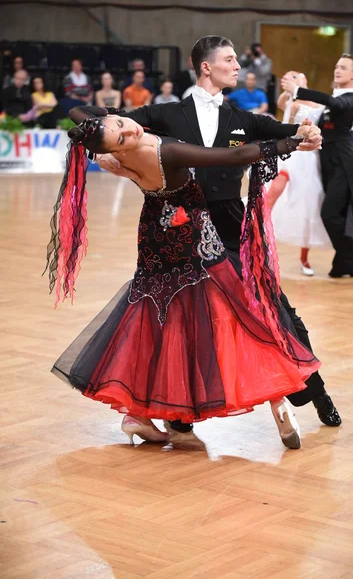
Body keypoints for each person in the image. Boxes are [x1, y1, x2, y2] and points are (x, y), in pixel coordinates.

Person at [96, 36, 342, 445]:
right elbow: (96, 122)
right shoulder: (164, 114)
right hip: (178, 228)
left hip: (228, 226)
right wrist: (101, 151)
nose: (238, 66)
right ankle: (176, 414)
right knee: (182, 323)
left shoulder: (244, 120)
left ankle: (314, 393)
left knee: (274, 308)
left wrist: (308, 133)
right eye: (229, 60)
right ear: (205, 67)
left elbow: (292, 132)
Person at [45, 106, 320, 450]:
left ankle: (138, 415)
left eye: (120, 121)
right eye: (121, 135)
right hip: (193, 243)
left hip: (155, 242)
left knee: (161, 324)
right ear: (116, 148)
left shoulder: (122, 152)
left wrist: (101, 135)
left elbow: (78, 113)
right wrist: (289, 142)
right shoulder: (165, 151)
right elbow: (229, 156)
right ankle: (276, 395)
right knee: (236, 315)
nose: (130, 129)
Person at [281, 54, 353, 283]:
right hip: (329, 163)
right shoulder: (335, 98)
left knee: (330, 214)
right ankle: (347, 264)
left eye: (343, 68)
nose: (337, 70)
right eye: (336, 66)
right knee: (338, 216)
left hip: (344, 163)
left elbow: (333, 103)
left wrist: (299, 90)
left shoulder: (347, 99)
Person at [267, 71, 331, 276]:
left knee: (309, 204)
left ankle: (304, 257)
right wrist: (288, 88)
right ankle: (261, 243)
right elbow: (281, 102)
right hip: (291, 154)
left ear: (306, 82)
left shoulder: (320, 106)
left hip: (309, 159)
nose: (296, 80)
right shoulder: (291, 104)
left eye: (299, 77)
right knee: (274, 192)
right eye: (293, 78)